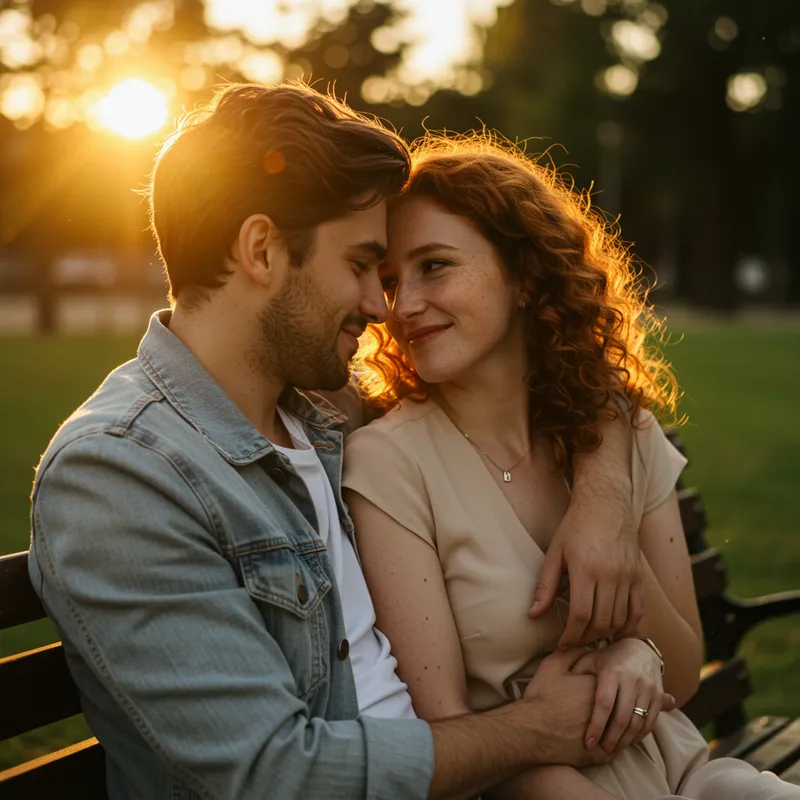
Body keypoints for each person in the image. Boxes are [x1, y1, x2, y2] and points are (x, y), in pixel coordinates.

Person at [28, 83, 647, 799]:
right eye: (361, 265)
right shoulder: (120, 474)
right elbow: (274, 774)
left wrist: (603, 497)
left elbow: (566, 376)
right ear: (261, 249)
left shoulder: (326, 410)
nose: (381, 308)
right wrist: (538, 729)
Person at [342, 133, 800, 799]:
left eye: (434, 267)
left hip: (689, 774)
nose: (401, 305)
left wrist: (629, 611)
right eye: (389, 280)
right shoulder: (389, 464)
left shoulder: (622, 435)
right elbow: (442, 727)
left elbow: (681, 677)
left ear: (525, 274)